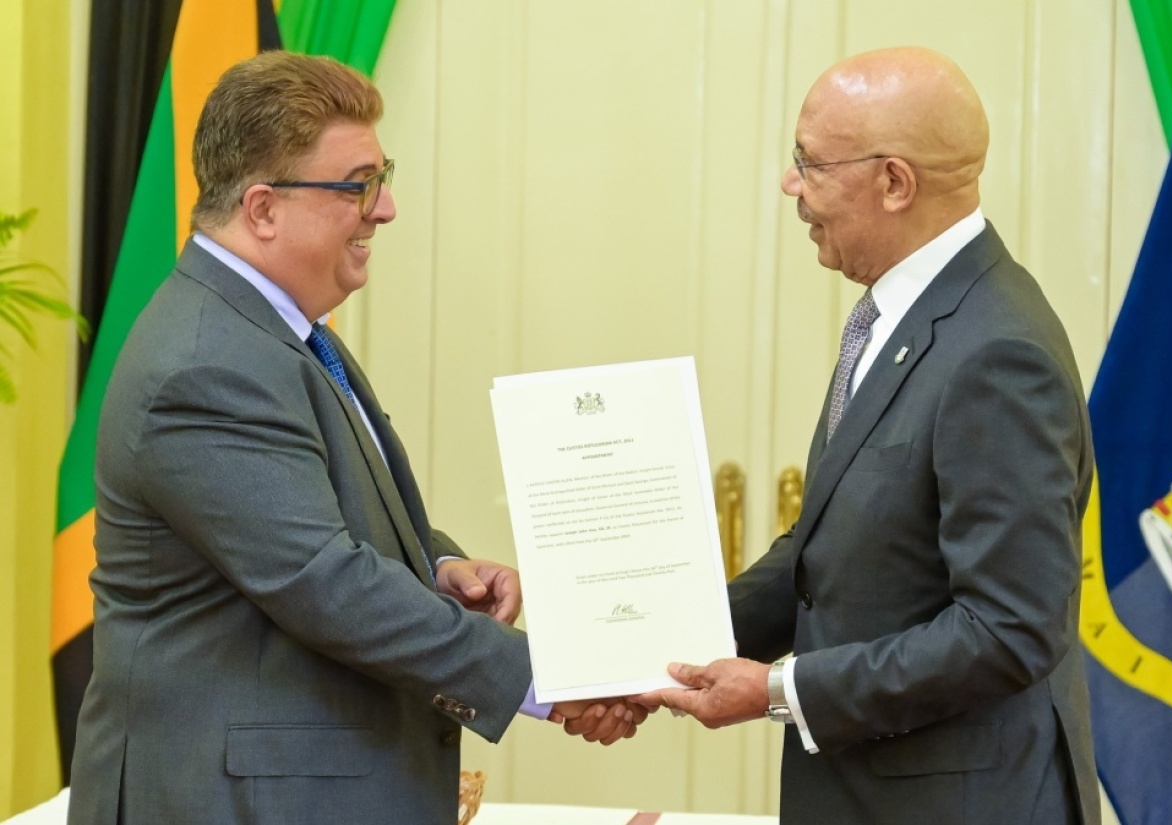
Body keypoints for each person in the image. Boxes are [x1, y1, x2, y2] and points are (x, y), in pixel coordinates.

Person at [67, 51, 642, 825]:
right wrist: (554, 676)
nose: (386, 208)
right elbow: (326, 584)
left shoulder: (275, 330)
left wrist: (437, 563)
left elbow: (315, 519)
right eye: (357, 184)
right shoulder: (207, 364)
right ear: (264, 208)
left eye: (384, 174)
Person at [638, 47, 1100, 824]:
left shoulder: (996, 350)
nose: (792, 186)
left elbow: (1010, 628)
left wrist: (781, 690)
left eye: (809, 164)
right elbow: (832, 552)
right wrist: (659, 646)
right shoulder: (899, 317)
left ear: (894, 182)